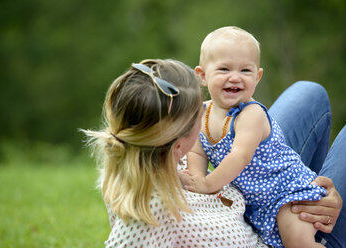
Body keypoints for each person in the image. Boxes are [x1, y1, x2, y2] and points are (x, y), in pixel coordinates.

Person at [82, 59, 344, 247]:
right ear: (179, 145)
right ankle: (315, 231)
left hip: (253, 183)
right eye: (201, 110)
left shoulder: (139, 150)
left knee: (309, 93)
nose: (210, 109)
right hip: (274, 234)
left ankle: (310, 194)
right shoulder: (151, 209)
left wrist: (304, 185)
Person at [178, 26, 339, 248]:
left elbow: (240, 156)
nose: (235, 77)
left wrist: (207, 184)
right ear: (203, 75)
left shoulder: (250, 114)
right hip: (258, 201)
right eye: (224, 69)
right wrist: (196, 179)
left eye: (245, 71)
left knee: (298, 242)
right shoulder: (201, 114)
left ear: (257, 76)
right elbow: (197, 150)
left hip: (286, 192)